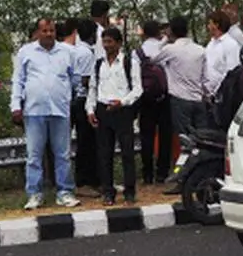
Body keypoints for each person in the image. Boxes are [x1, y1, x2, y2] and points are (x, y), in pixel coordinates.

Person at [11, 17, 80, 210]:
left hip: (60, 110)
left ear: (55, 32)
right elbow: (18, 80)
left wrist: (69, 97)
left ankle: (64, 192)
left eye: (51, 31)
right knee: (34, 155)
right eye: (45, 31)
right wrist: (15, 105)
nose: (49, 34)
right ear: (38, 33)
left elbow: (74, 78)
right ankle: (34, 194)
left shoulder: (67, 52)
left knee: (63, 154)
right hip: (34, 111)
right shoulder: (26, 52)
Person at [87, 27, 143, 205]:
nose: (107, 45)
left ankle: (129, 191)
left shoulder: (129, 62)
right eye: (104, 42)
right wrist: (90, 110)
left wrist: (123, 102)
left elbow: (137, 88)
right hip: (103, 109)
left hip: (122, 110)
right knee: (104, 153)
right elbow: (93, 88)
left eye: (110, 41)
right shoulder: (99, 64)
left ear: (119, 43)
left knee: (127, 152)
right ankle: (108, 192)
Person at [151, 16, 207, 143]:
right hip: (198, 99)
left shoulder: (171, 49)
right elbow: (206, 77)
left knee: (184, 139)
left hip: (180, 100)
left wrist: (165, 39)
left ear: (171, 30)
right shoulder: (200, 50)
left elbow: (152, 58)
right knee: (202, 138)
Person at [136, 20, 173, 185]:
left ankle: (147, 174)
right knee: (165, 136)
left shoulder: (137, 52)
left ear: (144, 33)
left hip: (145, 98)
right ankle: (162, 172)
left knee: (146, 136)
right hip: (164, 97)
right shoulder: (164, 48)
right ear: (158, 32)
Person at [73, 19, 101, 191]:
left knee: (85, 141)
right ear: (92, 35)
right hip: (85, 100)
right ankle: (86, 180)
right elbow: (85, 80)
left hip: (79, 100)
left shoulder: (76, 51)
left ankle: (89, 179)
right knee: (88, 142)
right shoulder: (86, 54)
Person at [203, 9, 241, 108]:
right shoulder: (210, 44)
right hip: (208, 95)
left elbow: (231, 72)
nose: (208, 26)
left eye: (210, 23)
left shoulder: (230, 44)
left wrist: (217, 91)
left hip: (222, 96)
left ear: (217, 25)